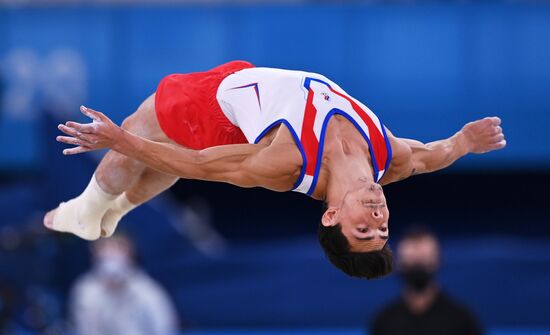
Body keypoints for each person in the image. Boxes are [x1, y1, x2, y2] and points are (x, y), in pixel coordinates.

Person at [44, 61, 506, 279]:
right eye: (384, 228)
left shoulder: (287, 164)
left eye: (363, 229)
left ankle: (87, 211)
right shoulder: (392, 159)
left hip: (217, 104)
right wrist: (464, 141)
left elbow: (198, 164)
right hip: (250, 84)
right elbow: (432, 155)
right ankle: (118, 208)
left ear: (331, 216)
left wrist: (117, 139)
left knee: (139, 130)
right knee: (170, 153)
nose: (379, 219)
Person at [370, 226, 483, 335]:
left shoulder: (461, 321)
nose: (418, 267)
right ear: (398, 264)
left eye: (424, 259)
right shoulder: (384, 322)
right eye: (411, 261)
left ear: (438, 262)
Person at [69, 234, 178, 335]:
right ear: (94, 255)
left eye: (118, 248)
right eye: (104, 248)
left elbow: (164, 328)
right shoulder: (85, 290)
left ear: (130, 253)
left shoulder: (147, 289)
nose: (110, 254)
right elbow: (86, 329)